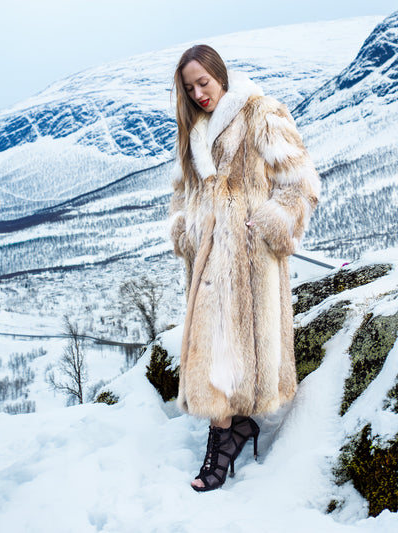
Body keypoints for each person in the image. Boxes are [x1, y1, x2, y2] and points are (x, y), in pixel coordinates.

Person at [169, 45, 320, 492]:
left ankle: (226, 433)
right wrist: (184, 230)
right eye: (189, 87)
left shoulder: (261, 114)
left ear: (220, 74)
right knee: (213, 345)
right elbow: (181, 193)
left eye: (204, 83)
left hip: (251, 257)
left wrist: (273, 222)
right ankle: (229, 428)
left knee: (234, 345)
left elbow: (302, 181)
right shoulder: (193, 129)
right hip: (208, 262)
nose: (198, 94)